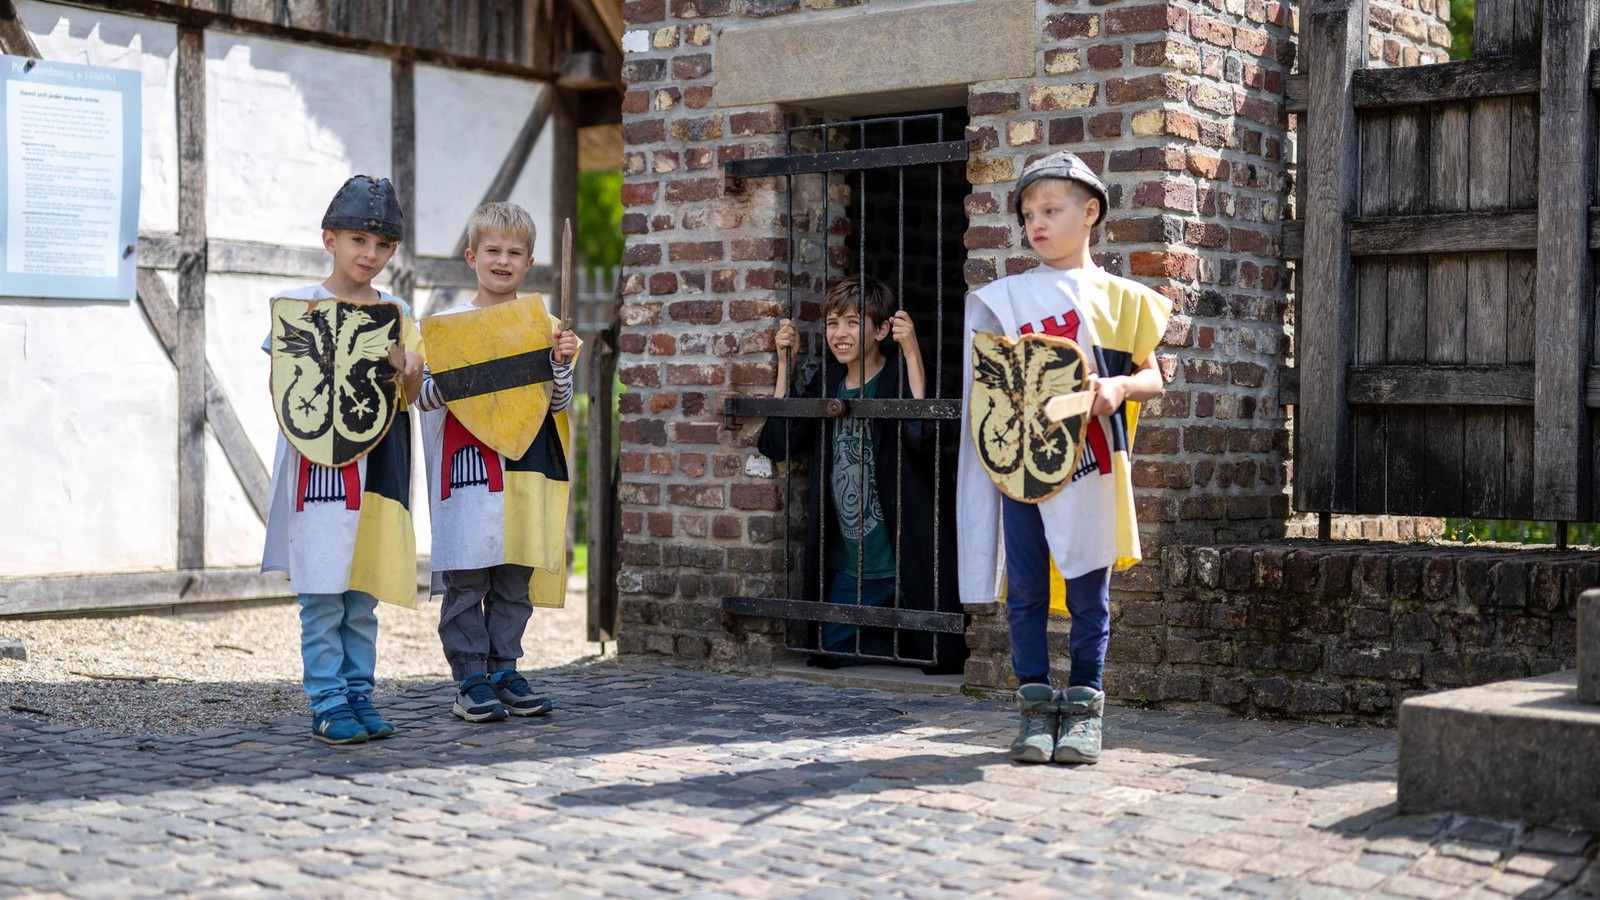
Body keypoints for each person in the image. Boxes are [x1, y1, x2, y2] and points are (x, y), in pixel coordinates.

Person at [958, 151, 1171, 764]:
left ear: (1091, 212)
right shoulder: (1007, 299)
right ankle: (1032, 711)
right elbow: (994, 390)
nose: (1037, 224)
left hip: (1094, 467)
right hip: (1024, 468)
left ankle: (1083, 710)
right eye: (1028, 215)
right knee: (1023, 589)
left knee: (1088, 593)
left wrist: (1119, 388)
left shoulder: (1122, 300)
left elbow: (1152, 376)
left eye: (1051, 210)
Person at [261, 175, 425, 745]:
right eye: (359, 240)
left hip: (378, 471)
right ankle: (327, 700)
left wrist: (411, 370)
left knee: (361, 594)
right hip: (319, 472)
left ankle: (359, 694)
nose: (370, 255)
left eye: (382, 246)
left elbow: (411, 393)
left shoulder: (397, 310)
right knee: (322, 592)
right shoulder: (301, 308)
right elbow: (289, 385)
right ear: (330, 239)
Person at [416, 202, 578, 723]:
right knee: (468, 579)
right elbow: (420, 399)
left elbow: (555, 406)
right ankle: (470, 678)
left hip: (525, 473)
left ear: (529, 263)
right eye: (493, 250)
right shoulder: (446, 329)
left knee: (513, 577)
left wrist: (558, 364)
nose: (503, 261)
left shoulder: (545, 326)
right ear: (472, 256)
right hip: (468, 473)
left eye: (514, 253)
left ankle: (505, 668)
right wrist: (448, 384)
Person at [757, 275, 963, 673]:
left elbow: (927, 438)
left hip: (903, 555)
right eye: (833, 323)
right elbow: (775, 443)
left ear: (881, 329)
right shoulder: (830, 381)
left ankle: (899, 635)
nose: (840, 334)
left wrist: (912, 353)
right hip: (853, 563)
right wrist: (786, 363)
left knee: (940, 657)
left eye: (853, 322)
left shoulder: (896, 378)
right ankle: (887, 637)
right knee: (826, 653)